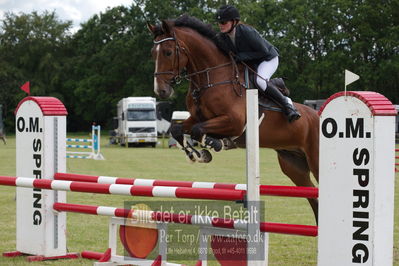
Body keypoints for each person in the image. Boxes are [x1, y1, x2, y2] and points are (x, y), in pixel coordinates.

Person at [215, 5, 301, 122]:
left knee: (260, 80)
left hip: (268, 58)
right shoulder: (222, 37)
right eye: (219, 22)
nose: (220, 25)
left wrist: (242, 56)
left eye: (223, 22)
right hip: (252, 62)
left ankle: (288, 105)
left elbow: (263, 51)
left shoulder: (246, 31)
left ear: (234, 21)